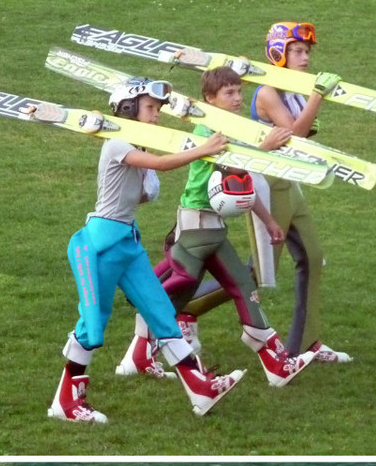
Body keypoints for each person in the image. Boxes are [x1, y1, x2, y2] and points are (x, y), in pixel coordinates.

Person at [47, 76, 245, 422]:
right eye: (150, 108)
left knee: (161, 314)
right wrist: (203, 149)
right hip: (100, 246)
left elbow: (145, 188)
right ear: (128, 109)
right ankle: (66, 403)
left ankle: (200, 388)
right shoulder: (117, 145)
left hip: (128, 243)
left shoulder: (136, 148)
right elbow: (161, 165)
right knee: (93, 326)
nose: (156, 116)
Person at [115, 67, 318, 388]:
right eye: (229, 93)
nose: (238, 98)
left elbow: (240, 181)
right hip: (196, 224)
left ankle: (276, 365)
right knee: (182, 286)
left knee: (242, 287)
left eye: (239, 92)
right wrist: (265, 148)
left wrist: (268, 220)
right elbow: (231, 166)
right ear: (210, 99)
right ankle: (141, 346)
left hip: (212, 226)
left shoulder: (234, 130)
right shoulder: (207, 130)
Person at [250, 21, 352, 363]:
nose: (305, 58)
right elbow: (293, 133)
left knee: (311, 258)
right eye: (297, 51)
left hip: (290, 183)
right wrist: (317, 97)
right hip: (269, 185)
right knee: (253, 276)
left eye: (307, 51)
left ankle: (306, 343)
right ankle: (178, 313)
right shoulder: (268, 91)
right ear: (278, 53)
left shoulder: (292, 88)